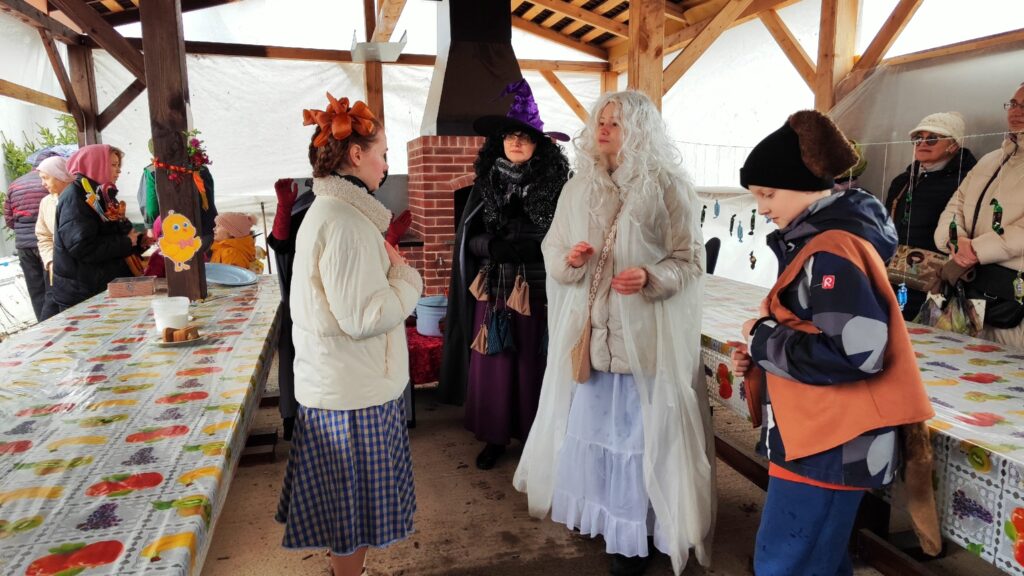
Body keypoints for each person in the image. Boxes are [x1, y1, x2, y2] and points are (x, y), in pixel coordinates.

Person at [514, 91, 714, 576]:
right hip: (591, 337)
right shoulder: (578, 187)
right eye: (600, 120)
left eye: (616, 123)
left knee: (639, 441)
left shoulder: (668, 188)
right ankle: (607, 519)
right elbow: (552, 248)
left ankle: (637, 535)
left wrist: (651, 276)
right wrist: (570, 260)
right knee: (596, 435)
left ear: (640, 132)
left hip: (644, 341)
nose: (603, 129)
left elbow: (690, 261)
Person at [731, 110, 935, 576]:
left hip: (831, 442)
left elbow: (857, 353)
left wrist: (762, 337)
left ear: (805, 186)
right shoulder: (815, 243)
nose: (761, 207)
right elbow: (814, 331)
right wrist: (762, 354)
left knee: (787, 562)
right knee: (816, 558)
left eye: (768, 193)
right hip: (817, 435)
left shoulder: (831, 252)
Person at [275, 93, 421, 576]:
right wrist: (408, 281)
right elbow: (364, 317)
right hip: (352, 396)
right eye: (383, 153)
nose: (387, 164)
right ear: (356, 155)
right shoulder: (345, 222)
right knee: (350, 519)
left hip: (343, 386)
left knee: (346, 514)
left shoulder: (338, 212)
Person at [438, 78, 571, 470]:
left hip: (538, 291)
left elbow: (568, 234)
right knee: (494, 364)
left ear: (540, 145)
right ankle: (495, 437)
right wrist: (490, 247)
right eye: (510, 136)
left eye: (525, 137)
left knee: (532, 365)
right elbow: (469, 237)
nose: (516, 142)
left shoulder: (560, 186)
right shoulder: (486, 184)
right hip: (494, 290)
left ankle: (534, 437)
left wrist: (539, 246)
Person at [933, 84, 1024, 347]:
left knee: (1004, 369)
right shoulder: (990, 159)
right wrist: (955, 240)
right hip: (966, 285)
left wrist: (976, 249)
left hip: (1011, 300)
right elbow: (956, 205)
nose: (1016, 112)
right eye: (1013, 104)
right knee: (946, 361)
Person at [885, 112, 978, 320]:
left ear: (953, 145)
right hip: (895, 277)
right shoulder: (902, 181)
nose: (923, 144)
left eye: (932, 139)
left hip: (941, 283)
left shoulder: (968, 181)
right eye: (918, 138)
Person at [45, 144, 145, 318]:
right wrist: (127, 242)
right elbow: (82, 247)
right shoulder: (75, 196)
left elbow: (115, 230)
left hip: (100, 286)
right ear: (95, 164)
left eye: (118, 165)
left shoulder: (102, 193)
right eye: (113, 165)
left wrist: (140, 241)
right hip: (83, 293)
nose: (118, 170)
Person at [267, 178, 315, 442]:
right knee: (295, 358)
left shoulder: (350, 205)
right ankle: (294, 420)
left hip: (324, 301)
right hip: (300, 300)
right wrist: (284, 209)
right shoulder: (306, 206)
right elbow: (281, 244)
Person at [4, 156, 51, 320]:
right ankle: (54, 323)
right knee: (51, 287)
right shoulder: (50, 182)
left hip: (24, 245)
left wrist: (23, 230)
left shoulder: (15, 184)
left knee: (35, 289)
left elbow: (9, 219)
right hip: (46, 243)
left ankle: (42, 324)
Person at [34, 156, 74, 301]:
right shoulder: (46, 202)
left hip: (80, 275)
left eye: (46, 178)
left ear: (60, 176)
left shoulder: (81, 199)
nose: (42, 184)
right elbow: (43, 236)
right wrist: (50, 260)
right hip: (57, 273)